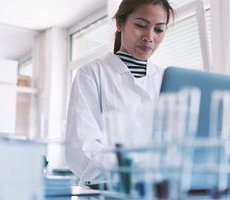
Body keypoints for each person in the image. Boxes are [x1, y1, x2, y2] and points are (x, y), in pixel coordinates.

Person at [65, 0, 175, 184]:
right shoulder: (91, 74)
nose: (149, 37)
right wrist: (130, 173)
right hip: (108, 189)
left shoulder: (166, 78)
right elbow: (81, 148)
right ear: (119, 23)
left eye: (158, 30)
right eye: (140, 25)